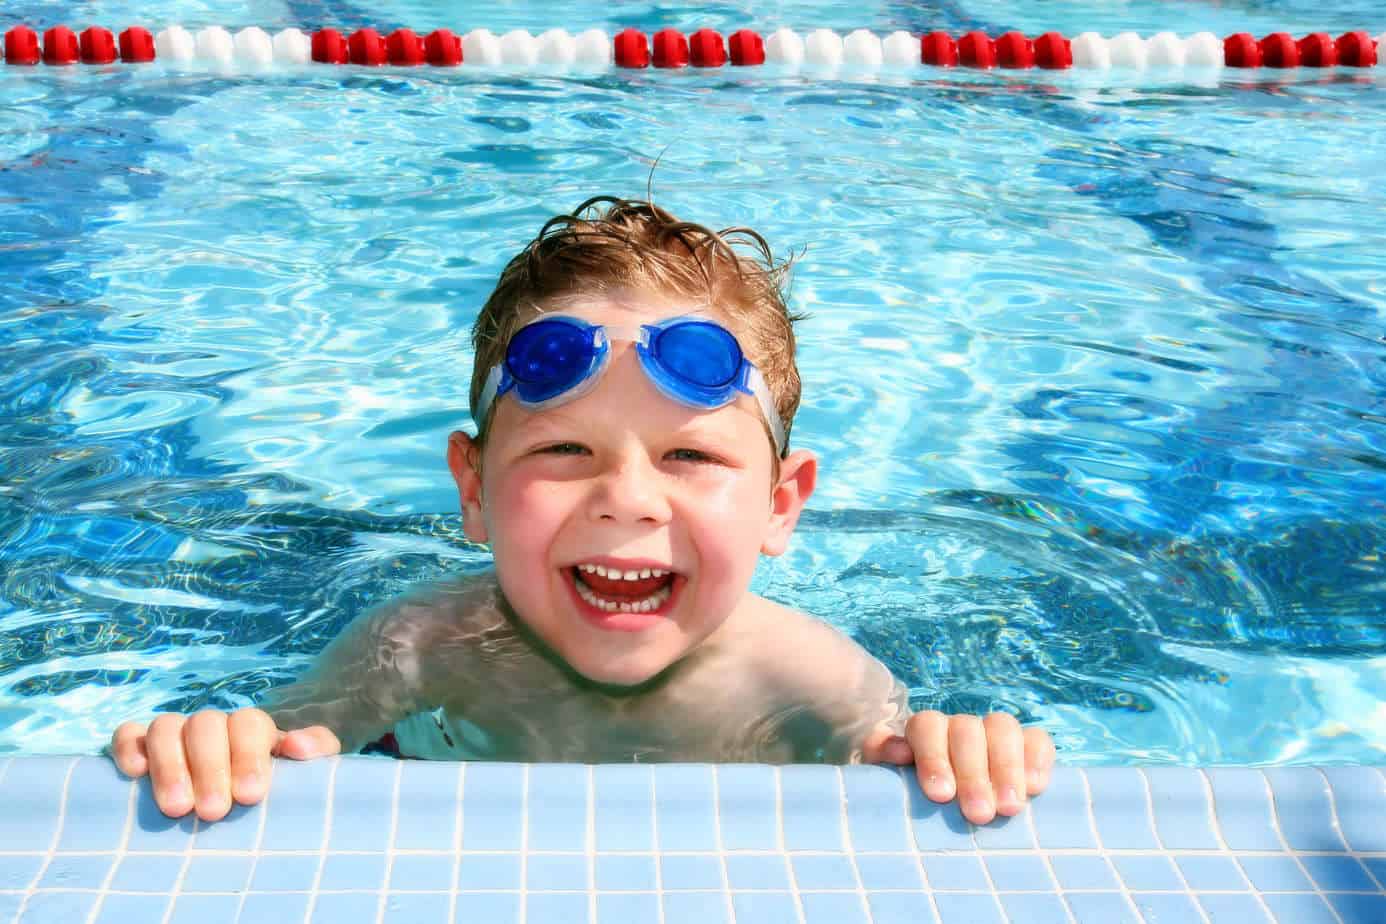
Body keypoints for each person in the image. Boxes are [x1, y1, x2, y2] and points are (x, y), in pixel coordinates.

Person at [110, 197, 1056, 826]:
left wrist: (961, 750)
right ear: (474, 488)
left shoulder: (808, 676)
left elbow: (904, 779)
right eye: (565, 450)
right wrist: (216, 745)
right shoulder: (418, 643)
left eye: (690, 455)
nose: (628, 501)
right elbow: (279, 749)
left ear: (780, 504)